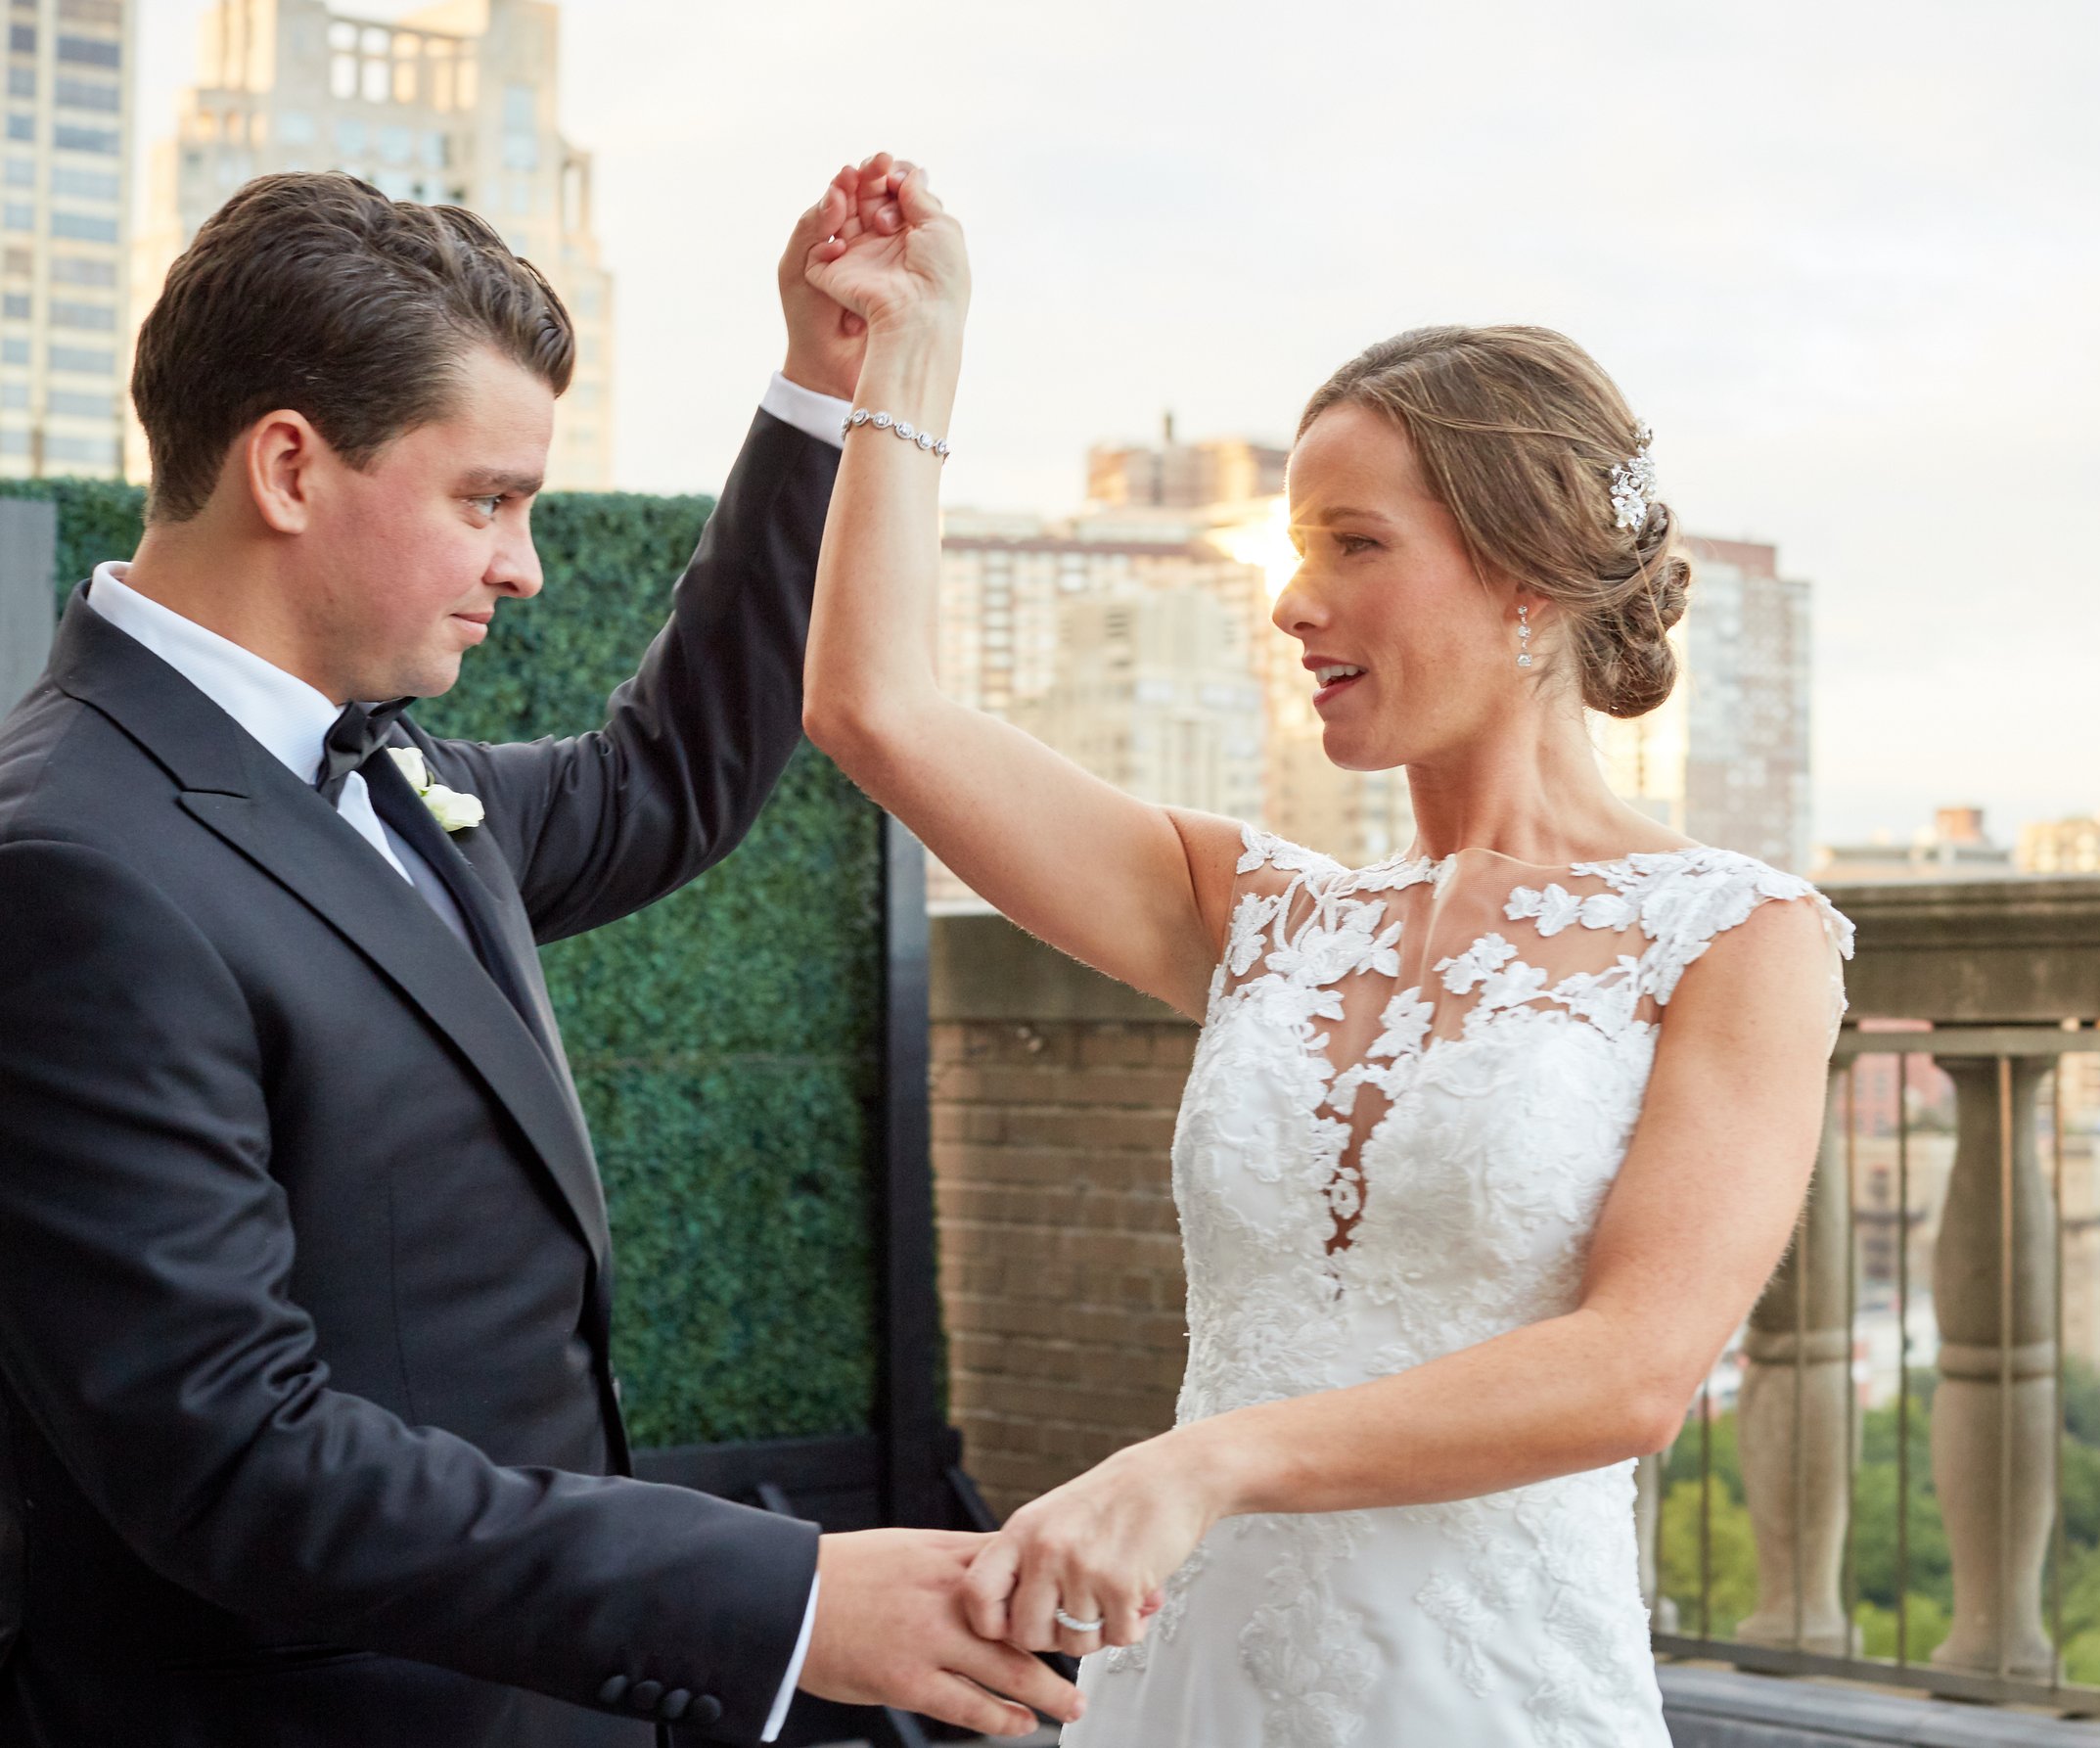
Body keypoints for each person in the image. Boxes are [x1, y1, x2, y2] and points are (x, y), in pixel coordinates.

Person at [0, 170, 1076, 1746]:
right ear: (289, 466)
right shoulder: (72, 864)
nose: (527, 567)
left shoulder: (385, 775)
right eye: (486, 500)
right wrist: (781, 1601)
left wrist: (818, 392)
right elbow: (230, 1459)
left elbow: (668, 778)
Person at [799, 158, 1854, 1746]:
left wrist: (1206, 1459)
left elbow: (1632, 1370)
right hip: (1193, 1688)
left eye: (1352, 543)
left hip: (1489, 1697)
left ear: (1523, 573)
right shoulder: (1261, 917)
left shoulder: (1738, 939)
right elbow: (872, 708)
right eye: (1295, 550)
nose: (1295, 602)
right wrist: (908, 358)